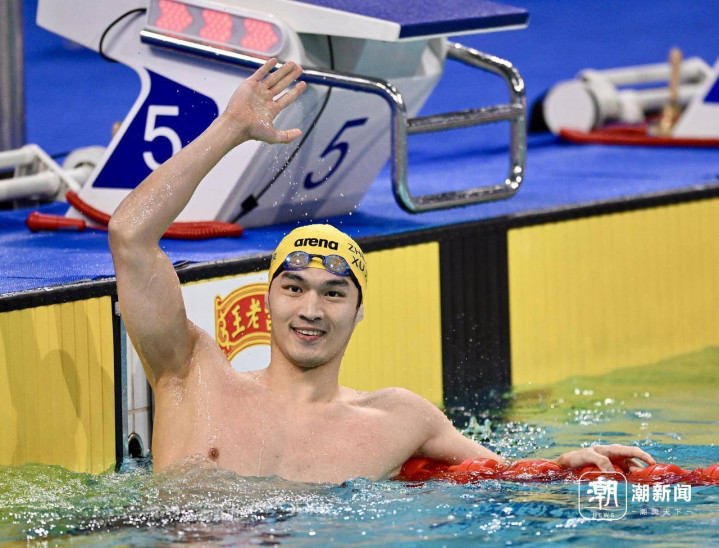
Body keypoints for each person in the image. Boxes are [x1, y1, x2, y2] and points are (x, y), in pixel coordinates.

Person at [108, 59, 655, 483]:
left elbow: (506, 477)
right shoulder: (192, 374)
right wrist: (230, 129)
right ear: (267, 296)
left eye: (334, 293)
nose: (311, 309)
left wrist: (568, 466)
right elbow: (129, 235)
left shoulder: (398, 419)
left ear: (359, 310)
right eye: (294, 287)